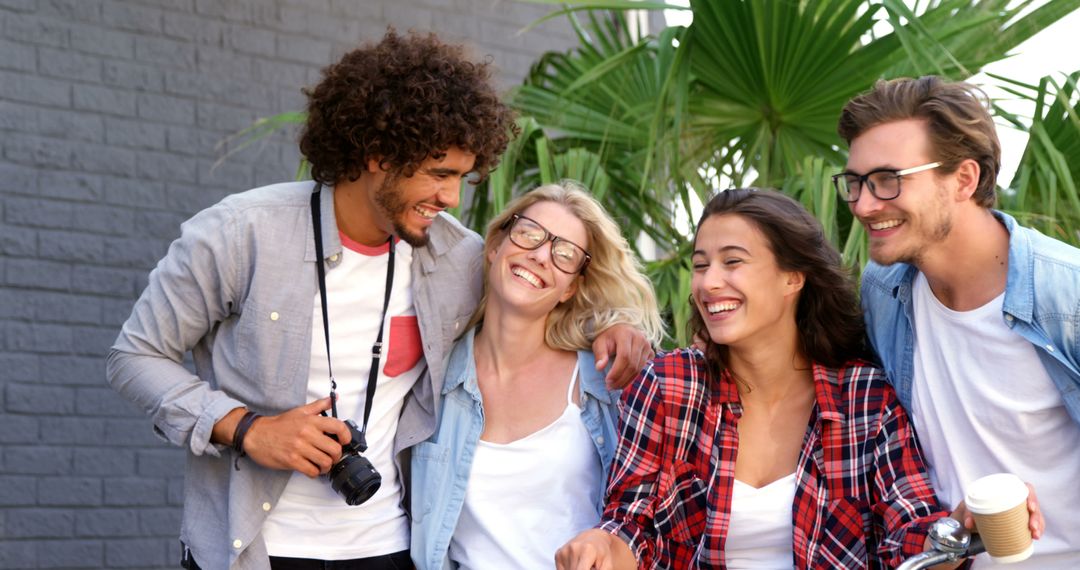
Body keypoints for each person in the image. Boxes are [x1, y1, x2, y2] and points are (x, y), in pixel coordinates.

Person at [105, 30, 651, 570]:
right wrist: (248, 429)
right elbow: (134, 357)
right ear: (378, 155)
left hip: (386, 547)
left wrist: (616, 325)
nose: (452, 198)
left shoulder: (456, 257)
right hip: (249, 548)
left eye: (463, 177)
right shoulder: (242, 234)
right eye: (439, 174)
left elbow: (537, 289)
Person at [557, 188, 951, 569]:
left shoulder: (863, 398)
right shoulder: (668, 385)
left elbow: (909, 530)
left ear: (793, 278)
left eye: (732, 262)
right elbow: (631, 526)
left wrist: (955, 534)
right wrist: (601, 544)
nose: (708, 283)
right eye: (700, 265)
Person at [837, 76, 1079, 567]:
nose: (863, 204)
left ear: (963, 180)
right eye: (857, 183)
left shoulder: (1068, 293)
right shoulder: (883, 292)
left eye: (888, 179)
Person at [409, 183, 665, 569]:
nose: (541, 255)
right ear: (496, 246)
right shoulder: (433, 379)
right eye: (529, 233)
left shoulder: (603, 383)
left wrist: (619, 327)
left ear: (571, 287)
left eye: (565, 254)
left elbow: (649, 512)